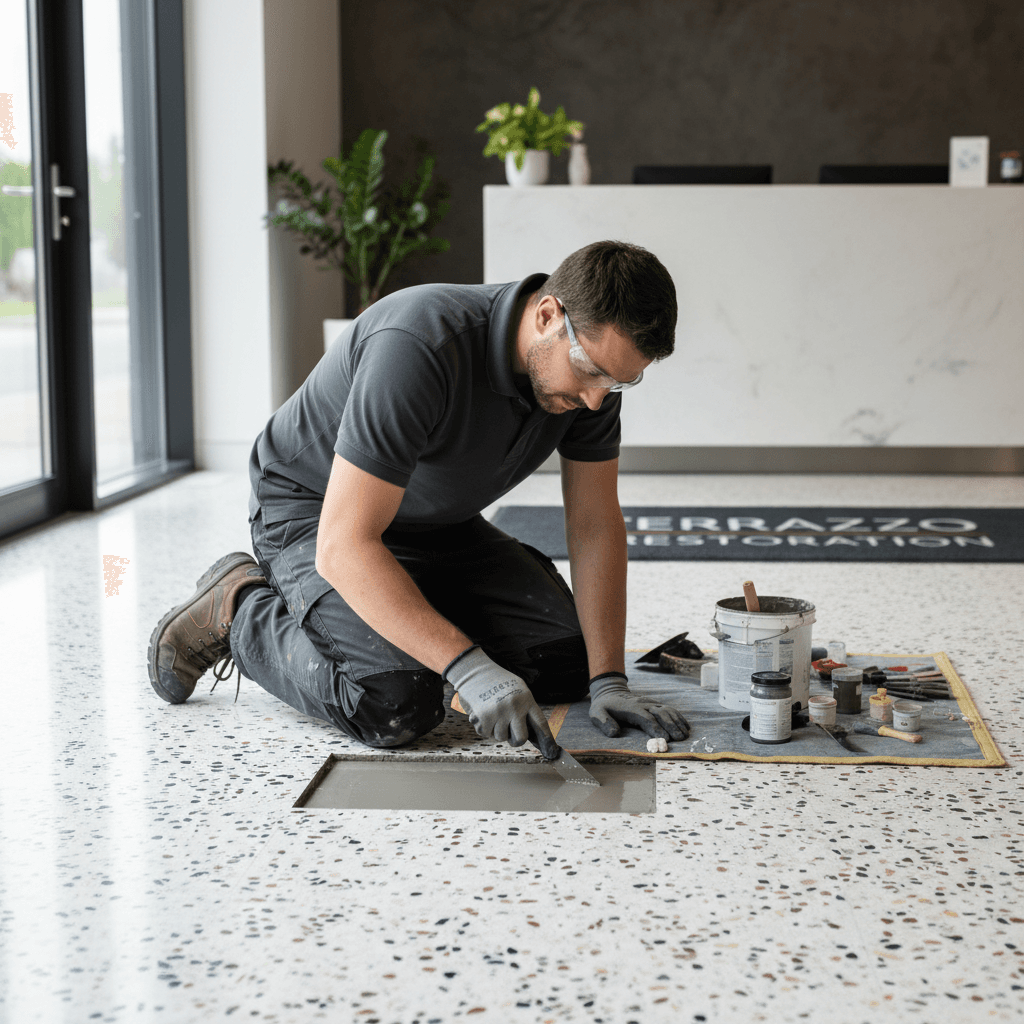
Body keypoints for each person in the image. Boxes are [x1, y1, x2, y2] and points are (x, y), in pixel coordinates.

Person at [148, 240, 690, 758]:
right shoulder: (421, 343)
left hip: (434, 523)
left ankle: (400, 609)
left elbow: (595, 524)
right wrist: (466, 666)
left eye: (619, 383)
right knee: (396, 701)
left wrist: (609, 679)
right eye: (592, 371)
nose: (596, 399)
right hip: (313, 514)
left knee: (571, 665)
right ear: (548, 314)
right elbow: (344, 544)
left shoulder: (586, 388)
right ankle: (239, 608)